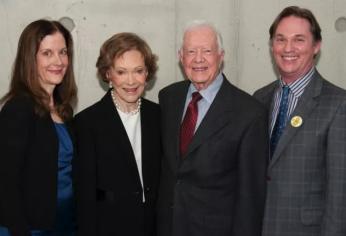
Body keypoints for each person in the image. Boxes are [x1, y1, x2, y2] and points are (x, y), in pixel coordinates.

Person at [157, 20, 268, 236]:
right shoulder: (168, 97)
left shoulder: (249, 113)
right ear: (181, 57)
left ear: (221, 55)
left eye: (207, 50)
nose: (198, 59)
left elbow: (250, 198)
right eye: (191, 51)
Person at [253, 6, 346, 236]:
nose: (288, 48)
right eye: (280, 39)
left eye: (299, 40)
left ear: (316, 46)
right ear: (272, 45)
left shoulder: (337, 104)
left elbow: (339, 194)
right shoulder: (259, 99)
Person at [73, 32, 161, 236]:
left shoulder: (159, 115)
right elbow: (84, 197)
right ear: (108, 75)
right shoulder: (87, 123)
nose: (131, 81)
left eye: (138, 71)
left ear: (147, 73)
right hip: (108, 227)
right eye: (121, 72)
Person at [0, 19, 77, 236]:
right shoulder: (18, 109)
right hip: (28, 229)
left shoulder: (65, 111)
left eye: (63, 52)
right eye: (47, 53)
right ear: (30, 58)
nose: (58, 61)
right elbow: (6, 184)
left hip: (63, 224)